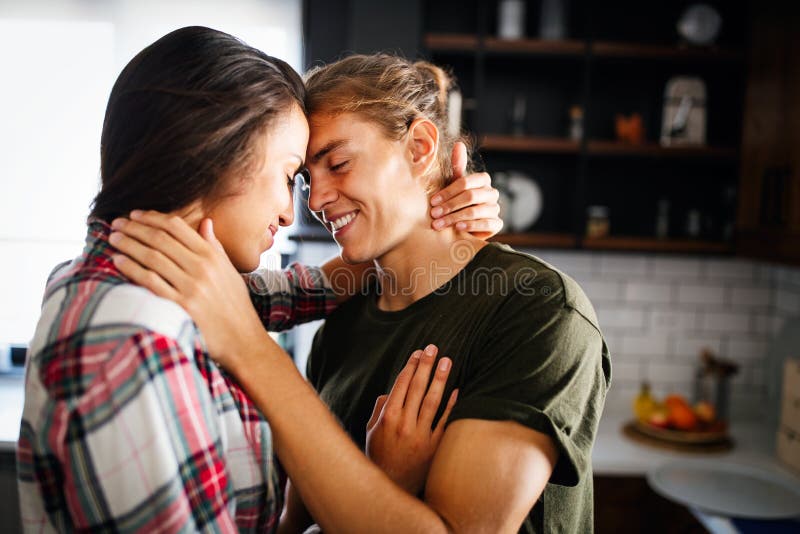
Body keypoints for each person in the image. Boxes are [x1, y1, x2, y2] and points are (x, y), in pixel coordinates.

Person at [16, 28, 502, 533]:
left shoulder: (151, 284)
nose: (298, 210)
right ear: (215, 153)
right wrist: (385, 489)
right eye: (292, 175)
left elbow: (301, 289)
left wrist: (435, 215)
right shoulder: (134, 338)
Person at [111, 53, 612, 533]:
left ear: (419, 148)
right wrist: (387, 485)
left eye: (340, 163)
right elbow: (294, 524)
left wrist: (246, 345)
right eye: (304, 178)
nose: (316, 200)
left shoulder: (539, 311)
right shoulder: (340, 329)